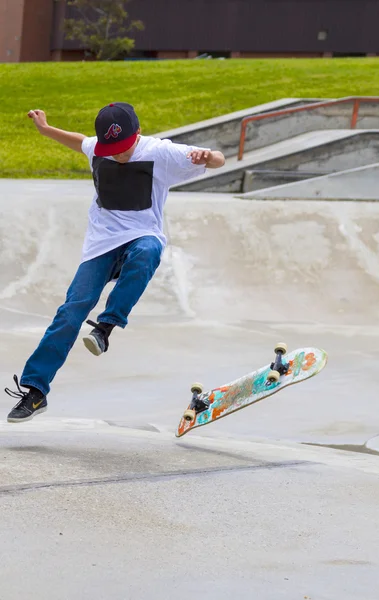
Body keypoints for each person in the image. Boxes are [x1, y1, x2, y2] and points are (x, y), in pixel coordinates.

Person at [5, 102, 225, 423]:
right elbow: (77, 140)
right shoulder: (98, 148)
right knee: (70, 312)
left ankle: (106, 327)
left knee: (149, 249)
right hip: (101, 245)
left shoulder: (160, 152)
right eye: (113, 150)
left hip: (140, 237)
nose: (118, 155)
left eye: (124, 149)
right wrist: (46, 129)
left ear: (137, 134)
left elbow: (217, 158)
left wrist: (209, 158)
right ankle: (36, 391)